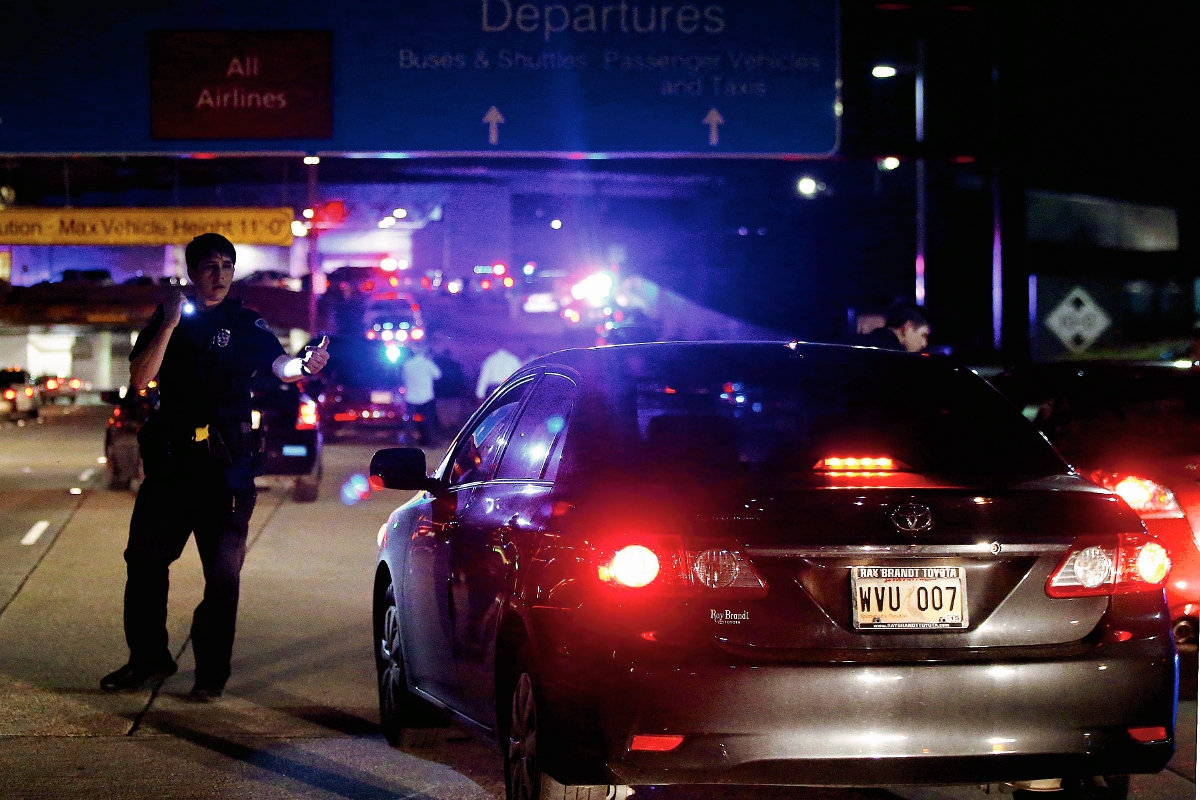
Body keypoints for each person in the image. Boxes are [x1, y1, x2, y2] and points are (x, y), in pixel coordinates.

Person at [100, 233, 329, 700]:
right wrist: (166, 323)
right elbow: (142, 378)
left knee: (221, 577)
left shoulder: (246, 324)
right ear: (192, 271)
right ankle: (148, 659)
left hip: (225, 469)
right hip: (170, 468)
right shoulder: (169, 320)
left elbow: (280, 365)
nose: (220, 274)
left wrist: (304, 365)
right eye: (210, 266)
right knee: (144, 563)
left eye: (227, 265)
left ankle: (211, 673)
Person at [401, 343, 442, 445]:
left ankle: (410, 441)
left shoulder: (407, 364)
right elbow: (438, 375)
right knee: (429, 421)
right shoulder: (427, 363)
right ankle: (432, 441)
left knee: (410, 421)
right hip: (426, 396)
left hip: (411, 396)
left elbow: (403, 377)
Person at [858, 302, 930, 353]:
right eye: (923, 335)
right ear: (907, 327)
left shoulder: (865, 343)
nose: (924, 344)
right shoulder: (894, 358)